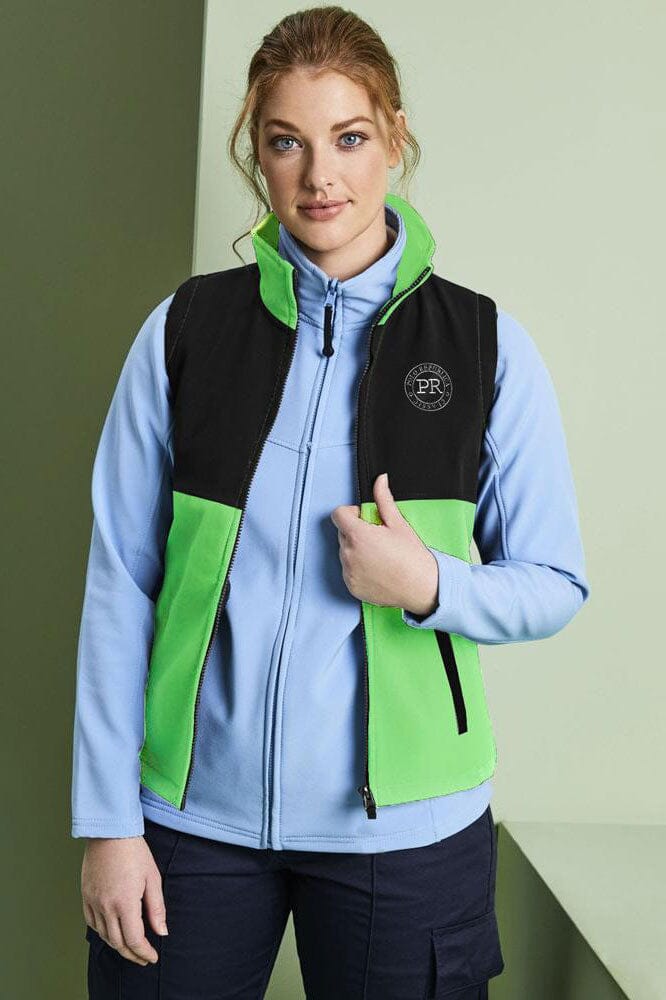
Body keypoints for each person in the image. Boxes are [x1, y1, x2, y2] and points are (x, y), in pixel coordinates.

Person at [71, 6, 590, 998]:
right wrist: (108, 823)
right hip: (190, 826)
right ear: (256, 154)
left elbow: (556, 581)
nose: (320, 177)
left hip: (409, 839)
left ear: (394, 137)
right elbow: (120, 586)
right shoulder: (184, 333)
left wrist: (430, 584)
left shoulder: (486, 347)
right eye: (287, 143)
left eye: (349, 138)